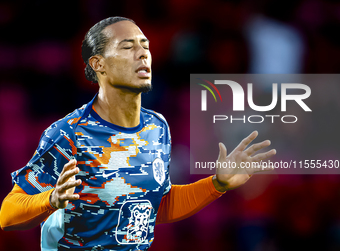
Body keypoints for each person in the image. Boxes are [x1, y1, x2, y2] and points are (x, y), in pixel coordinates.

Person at [0, 17, 276, 251]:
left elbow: (158, 207)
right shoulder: (68, 132)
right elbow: (8, 213)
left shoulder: (157, 127)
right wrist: (50, 199)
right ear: (99, 65)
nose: (142, 54)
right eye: (127, 47)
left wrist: (216, 184)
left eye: (145, 46)